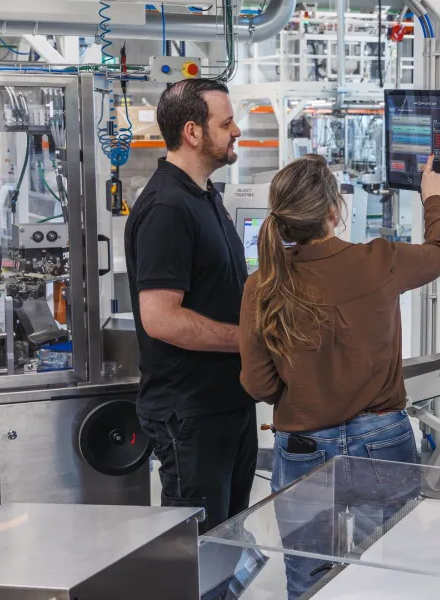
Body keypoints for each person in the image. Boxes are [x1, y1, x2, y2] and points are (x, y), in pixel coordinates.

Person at [239, 154, 440, 598]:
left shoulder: (261, 285)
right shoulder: (381, 260)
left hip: (303, 447)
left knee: (309, 576)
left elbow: (259, 385)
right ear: (334, 210)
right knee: (392, 567)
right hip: (383, 440)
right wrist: (433, 198)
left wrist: (305, 388)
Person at [125, 78, 257, 533]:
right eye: (226, 123)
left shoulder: (204, 195)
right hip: (191, 415)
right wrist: (250, 340)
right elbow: (161, 318)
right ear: (193, 132)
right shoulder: (167, 208)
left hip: (226, 404)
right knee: (199, 550)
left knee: (230, 540)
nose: (236, 130)